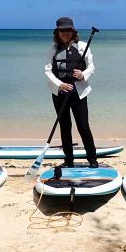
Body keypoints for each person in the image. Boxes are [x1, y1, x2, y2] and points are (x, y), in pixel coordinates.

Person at [44, 16, 99, 168]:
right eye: (62, 30)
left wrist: (83, 75)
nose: (65, 33)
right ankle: (69, 160)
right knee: (65, 126)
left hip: (78, 94)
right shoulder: (53, 49)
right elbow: (48, 70)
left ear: (73, 31)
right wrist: (60, 84)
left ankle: (92, 159)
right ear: (57, 32)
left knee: (83, 126)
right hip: (59, 94)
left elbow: (91, 67)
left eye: (68, 30)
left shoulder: (82, 46)